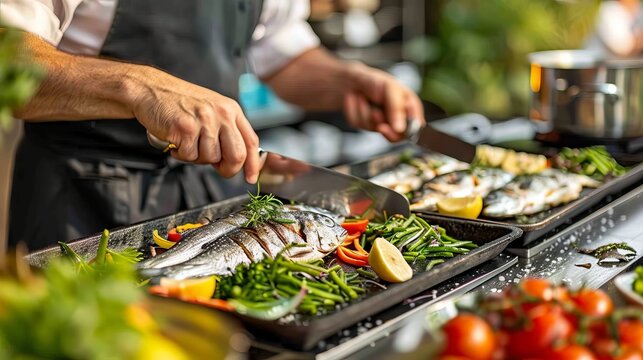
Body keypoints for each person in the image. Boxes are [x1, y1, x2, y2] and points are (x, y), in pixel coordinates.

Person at [2, 0, 424, 249]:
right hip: (80, 203)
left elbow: (279, 50)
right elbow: (9, 61)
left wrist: (345, 79)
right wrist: (140, 86)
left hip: (214, 198)